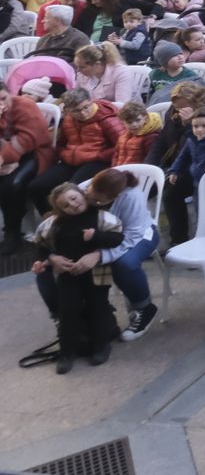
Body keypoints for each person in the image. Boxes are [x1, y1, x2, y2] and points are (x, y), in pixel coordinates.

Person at [30, 181, 123, 373]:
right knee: (67, 310)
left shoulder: (102, 218)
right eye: (66, 205)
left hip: (96, 274)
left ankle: (101, 346)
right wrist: (47, 259)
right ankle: (67, 351)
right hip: (68, 275)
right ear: (60, 210)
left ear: (82, 194)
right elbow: (41, 244)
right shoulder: (53, 224)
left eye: (73, 198)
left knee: (98, 308)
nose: (72, 204)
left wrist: (96, 236)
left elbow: (117, 239)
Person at [27, 89, 125, 212]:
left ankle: (78, 219)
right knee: (36, 186)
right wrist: (64, 153)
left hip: (97, 162)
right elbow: (62, 143)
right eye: (76, 111)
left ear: (91, 101)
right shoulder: (68, 120)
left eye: (86, 107)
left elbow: (121, 145)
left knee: (73, 191)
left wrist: (100, 155)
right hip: (71, 161)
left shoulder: (107, 119)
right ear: (68, 110)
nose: (83, 113)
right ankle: (51, 218)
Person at [0, 84, 51, 253]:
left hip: (35, 152)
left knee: (12, 184)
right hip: (7, 153)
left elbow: (28, 139)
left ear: (10, 94)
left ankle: (12, 231)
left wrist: (6, 158)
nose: (2, 103)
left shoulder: (24, 105)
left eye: (3, 98)